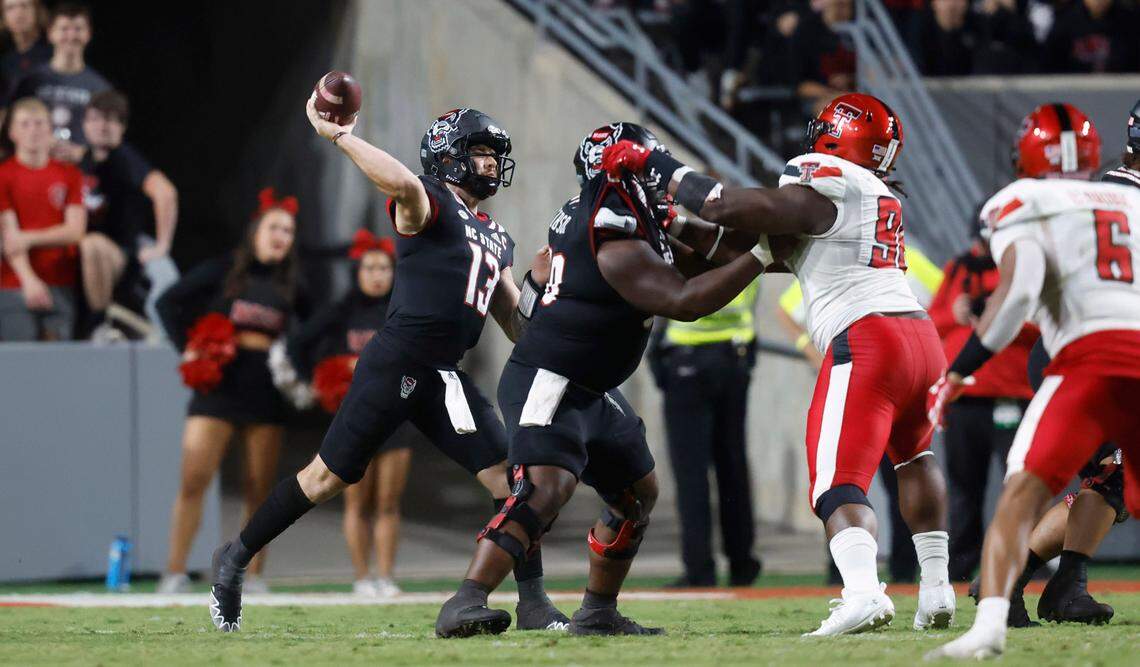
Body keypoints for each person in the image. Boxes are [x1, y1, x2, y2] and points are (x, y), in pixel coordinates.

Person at [603, 94, 957, 636]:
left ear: (840, 137)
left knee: (835, 484)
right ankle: (936, 590)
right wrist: (672, 220)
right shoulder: (874, 195)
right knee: (914, 457)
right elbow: (735, 245)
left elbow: (722, 206)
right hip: (917, 336)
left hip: (869, 337)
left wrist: (653, 164)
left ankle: (863, 593)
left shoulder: (828, 182)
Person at [207, 99, 565, 634]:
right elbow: (402, 184)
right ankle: (233, 559)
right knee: (326, 477)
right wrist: (339, 136)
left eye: (495, 156)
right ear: (447, 156)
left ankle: (533, 602)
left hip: (445, 373)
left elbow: (516, 325)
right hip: (397, 359)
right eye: (480, 153)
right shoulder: (429, 201)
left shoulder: (497, 236)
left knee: (512, 482)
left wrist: (541, 287)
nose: (491, 164)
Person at [434, 122, 770, 638]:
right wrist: (764, 255)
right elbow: (685, 301)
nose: (656, 175)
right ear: (619, 171)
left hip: (590, 385)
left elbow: (715, 246)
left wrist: (781, 246)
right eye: (646, 164)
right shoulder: (607, 226)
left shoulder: (635, 215)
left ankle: (597, 610)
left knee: (636, 494)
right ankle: (466, 600)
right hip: (552, 377)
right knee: (545, 491)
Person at [926, 102, 1140, 660]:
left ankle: (1022, 599)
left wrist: (960, 367)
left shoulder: (1035, 200)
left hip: (1081, 359)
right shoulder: (1122, 196)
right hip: (1099, 352)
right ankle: (1038, 580)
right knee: (1103, 481)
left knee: (1043, 486)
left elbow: (1019, 291)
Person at [154, 188, 307, 595]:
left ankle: (250, 575)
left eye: (288, 230)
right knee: (194, 479)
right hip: (218, 388)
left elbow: (315, 331)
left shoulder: (292, 284)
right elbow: (169, 303)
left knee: (260, 489)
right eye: (274, 227)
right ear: (256, 229)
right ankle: (174, 571)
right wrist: (189, 346)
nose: (281, 236)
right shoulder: (222, 269)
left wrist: (302, 370)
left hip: (266, 394)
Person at [777, 245, 943, 586]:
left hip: (867, 360)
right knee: (913, 464)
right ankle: (933, 585)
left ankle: (859, 586)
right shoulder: (898, 252)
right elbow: (944, 301)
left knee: (838, 479)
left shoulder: (840, 250)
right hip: (920, 353)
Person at [286, 230, 409, 598]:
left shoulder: (401, 312)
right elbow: (298, 343)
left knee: (388, 502)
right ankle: (361, 579)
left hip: (396, 418)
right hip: (354, 418)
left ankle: (386, 578)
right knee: (355, 500)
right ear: (357, 271)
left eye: (383, 268)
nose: (376, 275)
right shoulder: (341, 312)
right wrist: (319, 380)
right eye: (369, 268)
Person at [928, 232, 1037, 583]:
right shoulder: (959, 268)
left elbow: (1041, 327)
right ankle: (960, 567)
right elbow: (934, 320)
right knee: (963, 489)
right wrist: (957, 312)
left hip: (1013, 394)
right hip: (965, 400)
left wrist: (997, 315)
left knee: (1024, 482)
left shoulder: (1026, 269)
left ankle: (1030, 560)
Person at [650, 280, 763, 589]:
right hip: (735, 354)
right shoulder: (743, 243)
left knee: (691, 474)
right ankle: (742, 563)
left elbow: (661, 294)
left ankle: (700, 569)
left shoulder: (685, 243)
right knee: (733, 466)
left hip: (687, 359)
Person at [79, 89, 179, 337]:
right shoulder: (86, 158)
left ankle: (101, 324)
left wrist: (162, 245)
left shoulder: (124, 158)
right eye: (95, 118)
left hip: (121, 253)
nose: (102, 126)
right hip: (83, 255)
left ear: (122, 127)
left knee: (92, 245)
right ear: (84, 123)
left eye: (110, 120)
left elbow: (166, 193)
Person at [0, 96, 85, 340]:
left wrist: (27, 238)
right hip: (14, 283)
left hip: (60, 282)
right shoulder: (4, 175)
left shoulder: (69, 174)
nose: (33, 131)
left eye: (39, 124)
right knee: (21, 360)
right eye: (25, 124)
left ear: (50, 129)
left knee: (58, 362)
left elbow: (74, 231)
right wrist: (29, 281)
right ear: (12, 132)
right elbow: (9, 236)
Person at [8, 3, 110, 162]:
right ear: (50, 33)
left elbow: (108, 144)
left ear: (88, 34)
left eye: (77, 29)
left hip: (80, 175)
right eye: (64, 29)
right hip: (35, 169)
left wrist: (82, 152)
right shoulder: (29, 81)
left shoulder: (101, 88)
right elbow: (9, 127)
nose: (71, 35)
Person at [0, 0, 50, 103]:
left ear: (37, 11)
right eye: (10, 8)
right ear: (3, 18)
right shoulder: (4, 59)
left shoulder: (54, 53)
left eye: (24, 5)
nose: (18, 13)